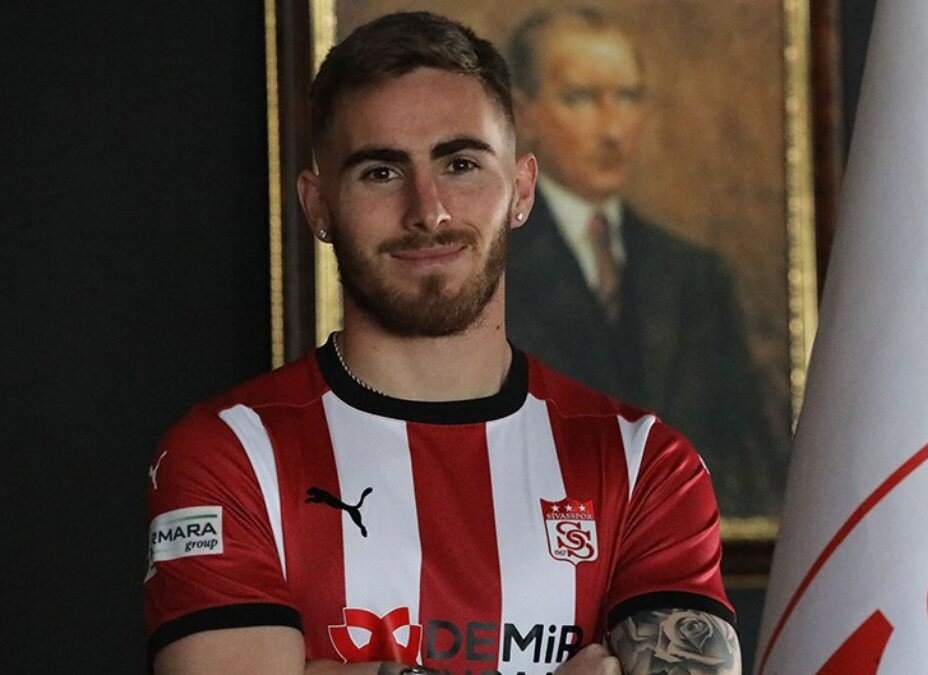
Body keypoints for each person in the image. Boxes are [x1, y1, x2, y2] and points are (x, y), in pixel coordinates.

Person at [143, 11, 740, 675]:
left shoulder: (643, 463)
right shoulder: (231, 453)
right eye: (380, 172)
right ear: (318, 206)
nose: (428, 210)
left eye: (460, 164)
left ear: (521, 189)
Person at [505, 8, 787, 517]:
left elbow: (751, 463)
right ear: (523, 115)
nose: (614, 129)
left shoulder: (694, 276)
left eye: (629, 97)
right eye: (581, 98)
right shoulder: (495, 267)